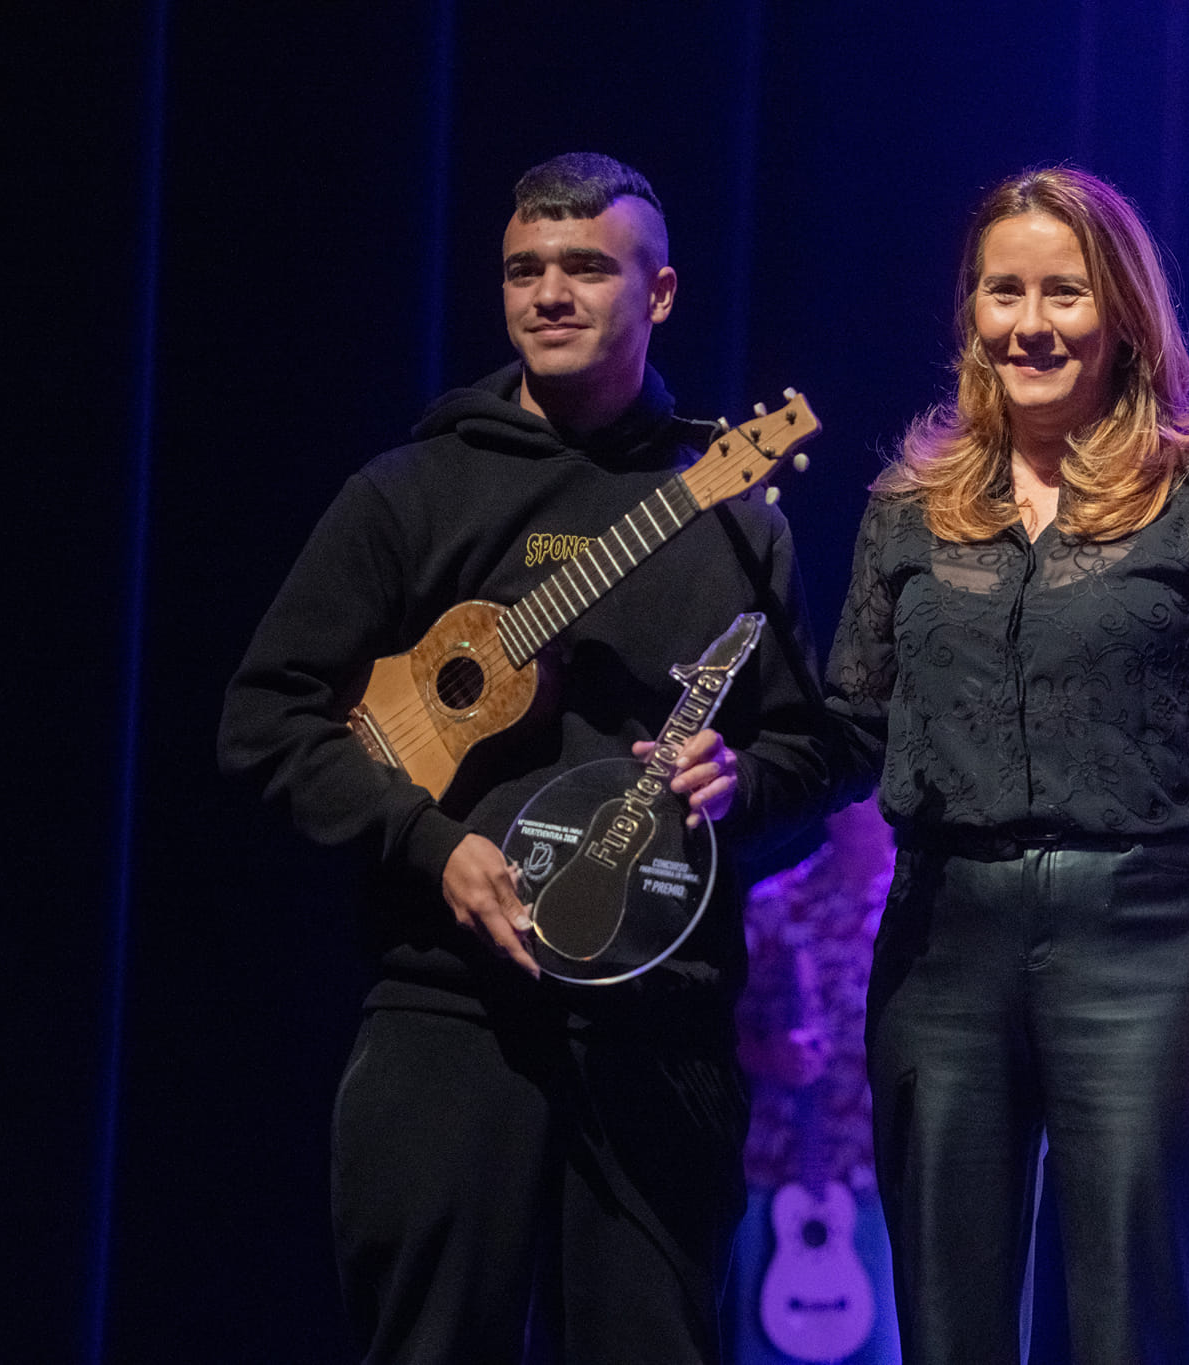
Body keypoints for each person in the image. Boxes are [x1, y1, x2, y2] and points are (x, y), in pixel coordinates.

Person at [217, 153, 834, 1364]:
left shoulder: (736, 519)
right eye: (523, 269)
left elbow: (812, 763)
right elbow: (263, 719)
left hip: (661, 1034)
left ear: (657, 295)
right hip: (449, 1017)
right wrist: (427, 843)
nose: (548, 293)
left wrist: (742, 785)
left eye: (586, 267)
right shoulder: (413, 490)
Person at [824, 165, 1189, 1365]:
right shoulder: (908, 507)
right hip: (942, 943)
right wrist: (730, 774)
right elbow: (848, 727)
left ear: (1121, 315)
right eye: (1002, 293)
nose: (1030, 324)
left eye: (1063, 293)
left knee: (1132, 1328)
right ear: (972, 313)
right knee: (946, 1331)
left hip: (1145, 940)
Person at [726, 794, 902, 1365]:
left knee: (884, 1349)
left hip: (886, 1169)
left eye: (872, 797)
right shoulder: (778, 903)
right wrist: (769, 1054)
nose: (859, 809)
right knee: (768, 1344)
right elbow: (712, 1027)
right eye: (847, 799)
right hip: (779, 1164)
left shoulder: (926, 905)